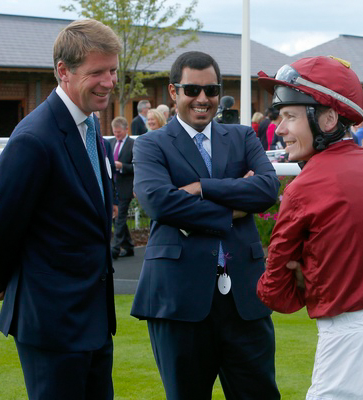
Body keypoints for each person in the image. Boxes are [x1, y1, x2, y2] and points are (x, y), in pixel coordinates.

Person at [257, 55, 363, 400]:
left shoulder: (305, 186)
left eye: (290, 116)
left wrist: (312, 276)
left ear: (327, 118)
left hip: (354, 344)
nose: (280, 128)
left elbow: (275, 291)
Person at [130, 50, 281, 400]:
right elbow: (158, 201)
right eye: (192, 90)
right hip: (179, 301)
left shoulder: (242, 136)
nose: (203, 99)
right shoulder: (151, 144)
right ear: (173, 92)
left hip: (244, 299)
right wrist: (231, 211)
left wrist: (203, 189)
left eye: (211, 91)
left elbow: (266, 188)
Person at [0, 19, 120, 399]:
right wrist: (3, 275)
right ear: (64, 71)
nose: (109, 82)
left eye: (112, 70)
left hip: (92, 321)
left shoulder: (91, 129)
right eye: (97, 72)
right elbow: (2, 226)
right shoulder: (34, 139)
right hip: (51, 325)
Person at [108, 116, 135, 259]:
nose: (116, 135)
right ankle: (129, 246)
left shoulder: (133, 144)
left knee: (120, 218)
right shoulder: (110, 143)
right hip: (113, 186)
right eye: (114, 132)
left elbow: (137, 166)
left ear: (126, 129)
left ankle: (115, 249)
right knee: (116, 217)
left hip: (126, 186)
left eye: (119, 132)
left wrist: (122, 166)